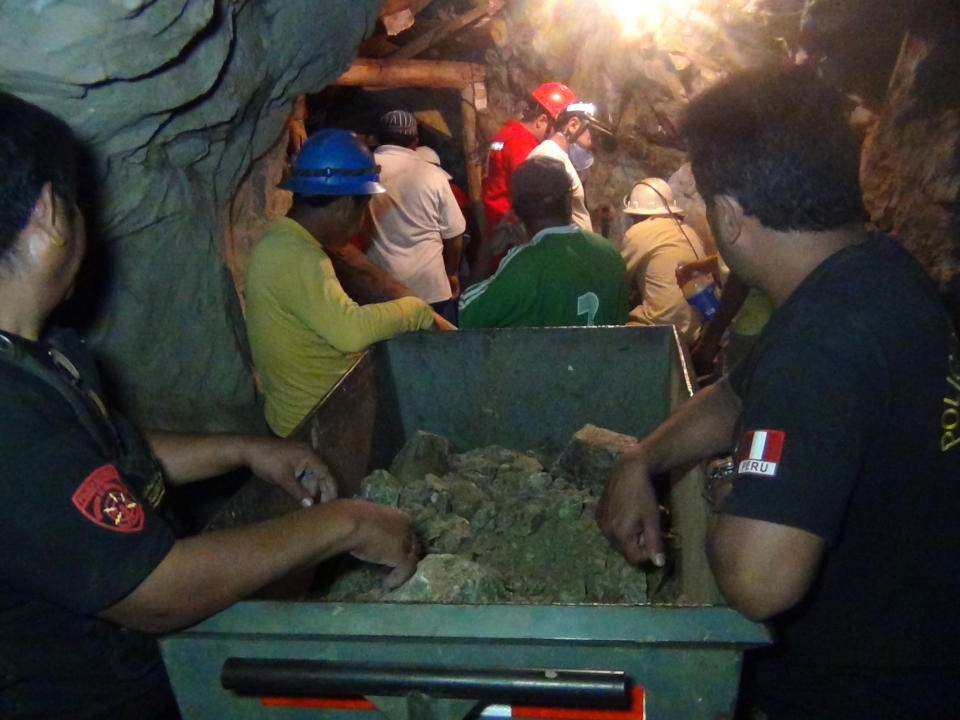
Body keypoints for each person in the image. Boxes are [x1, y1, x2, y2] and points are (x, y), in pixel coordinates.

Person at [0, 93, 422, 719]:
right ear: (47, 215)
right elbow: (156, 592)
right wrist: (345, 523)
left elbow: (99, 455)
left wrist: (243, 449)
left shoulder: (38, 357)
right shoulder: (9, 414)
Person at [596, 65, 960, 719]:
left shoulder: (820, 342)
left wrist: (727, 503)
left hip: (867, 689)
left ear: (730, 217)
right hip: (926, 634)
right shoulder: (877, 272)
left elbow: (757, 583)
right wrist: (641, 459)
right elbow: (741, 393)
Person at [245, 128, 443, 437]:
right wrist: (415, 310)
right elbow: (351, 331)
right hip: (313, 427)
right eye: (363, 208)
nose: (362, 220)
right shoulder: (295, 254)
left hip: (310, 415)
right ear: (342, 205)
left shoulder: (283, 243)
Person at [459, 156, 628, 328]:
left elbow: (467, 314)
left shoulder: (525, 264)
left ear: (516, 210)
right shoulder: (609, 253)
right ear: (568, 203)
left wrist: (485, 253)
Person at [364, 110, 466, 323]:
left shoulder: (363, 171)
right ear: (415, 140)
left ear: (379, 137)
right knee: (441, 352)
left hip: (380, 290)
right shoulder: (433, 174)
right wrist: (452, 272)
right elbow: (455, 233)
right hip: (430, 290)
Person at [620, 177, 710, 346]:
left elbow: (617, 278)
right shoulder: (689, 231)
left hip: (662, 331)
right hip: (695, 330)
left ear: (636, 213)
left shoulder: (638, 232)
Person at [481, 81, 577, 231]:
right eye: (556, 129)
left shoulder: (507, 134)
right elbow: (535, 193)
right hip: (512, 232)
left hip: (497, 225)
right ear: (542, 121)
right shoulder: (521, 144)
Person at [525, 100, 612, 232]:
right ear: (573, 125)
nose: (594, 142)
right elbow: (546, 220)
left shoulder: (558, 158)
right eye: (593, 134)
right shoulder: (549, 157)